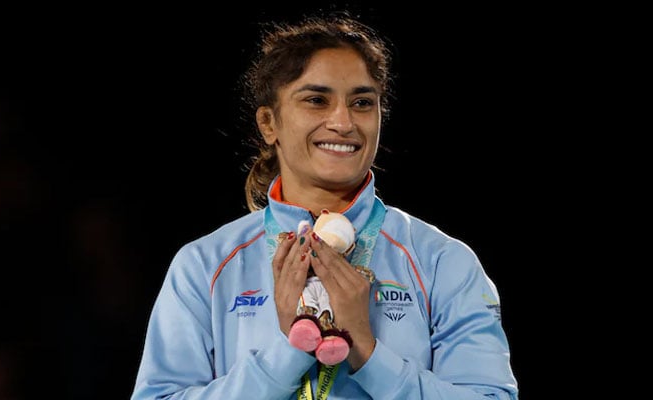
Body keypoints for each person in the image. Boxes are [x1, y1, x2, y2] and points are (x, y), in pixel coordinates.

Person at [130, 12, 519, 400]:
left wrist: (368, 352)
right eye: (317, 100)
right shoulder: (204, 265)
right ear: (269, 123)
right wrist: (286, 354)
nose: (343, 122)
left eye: (362, 102)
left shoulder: (441, 261)